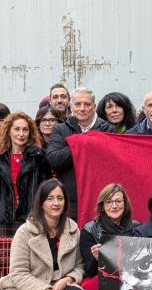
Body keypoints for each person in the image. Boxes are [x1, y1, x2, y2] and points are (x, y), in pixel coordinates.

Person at [47, 87, 114, 218]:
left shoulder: (109, 130)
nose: (82, 108)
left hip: (102, 202)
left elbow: (113, 164)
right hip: (71, 204)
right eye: (77, 104)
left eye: (87, 104)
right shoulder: (60, 129)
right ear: (71, 106)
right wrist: (83, 142)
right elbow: (54, 160)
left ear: (94, 107)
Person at [0, 112, 48, 237]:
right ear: (8, 131)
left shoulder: (38, 157)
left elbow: (45, 189)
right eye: (17, 129)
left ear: (30, 132)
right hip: (4, 220)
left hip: (32, 219)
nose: (21, 134)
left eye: (25, 130)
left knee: (30, 256)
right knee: (4, 257)